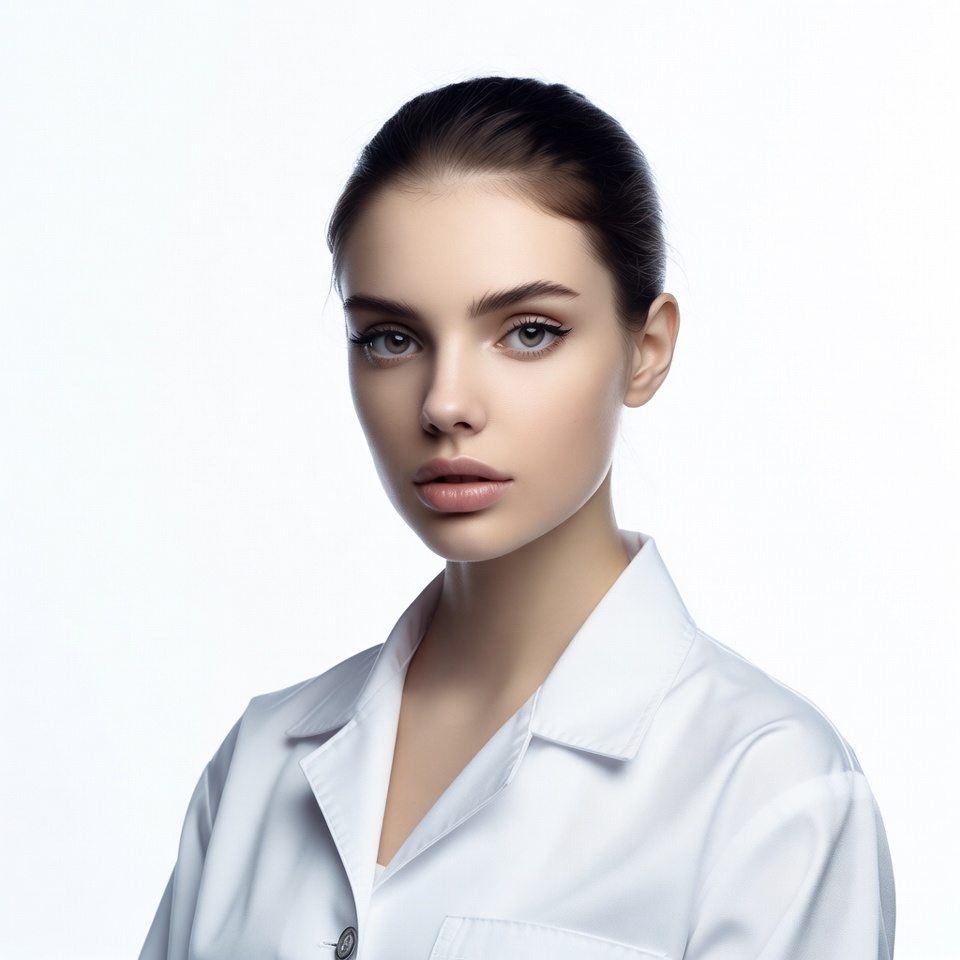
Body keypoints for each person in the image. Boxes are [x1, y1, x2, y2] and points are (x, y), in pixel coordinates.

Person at [140, 77, 895, 960]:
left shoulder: (768, 787)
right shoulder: (259, 763)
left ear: (646, 352)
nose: (446, 403)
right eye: (391, 337)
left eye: (528, 331)